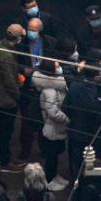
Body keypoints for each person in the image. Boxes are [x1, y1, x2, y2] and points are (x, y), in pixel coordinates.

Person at [16, 18, 57, 160]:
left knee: (45, 120)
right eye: (29, 28)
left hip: (45, 86)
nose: (31, 32)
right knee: (26, 122)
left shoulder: (50, 42)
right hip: (28, 87)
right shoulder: (22, 44)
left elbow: (55, 61)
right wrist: (23, 69)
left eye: (34, 29)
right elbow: (15, 62)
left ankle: (44, 150)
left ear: (40, 30)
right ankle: (25, 152)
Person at [31, 60, 70, 191]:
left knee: (54, 154)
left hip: (56, 127)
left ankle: (53, 176)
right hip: (53, 127)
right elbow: (53, 112)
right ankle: (49, 180)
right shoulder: (50, 90)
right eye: (57, 66)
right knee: (51, 157)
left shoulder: (54, 86)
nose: (59, 67)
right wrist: (67, 119)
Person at [62, 61, 100, 180]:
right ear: (96, 74)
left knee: (74, 159)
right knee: (86, 161)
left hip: (73, 128)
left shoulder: (74, 84)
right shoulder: (94, 89)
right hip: (87, 132)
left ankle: (74, 180)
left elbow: (64, 106)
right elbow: (94, 112)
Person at [0, 24, 26, 171]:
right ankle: (5, 161)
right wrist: (19, 96)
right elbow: (9, 81)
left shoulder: (1, 46)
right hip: (6, 100)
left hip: (3, 96)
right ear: (17, 38)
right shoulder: (6, 55)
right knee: (5, 132)